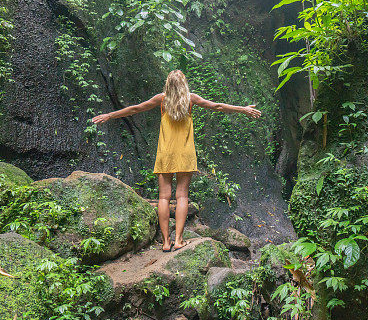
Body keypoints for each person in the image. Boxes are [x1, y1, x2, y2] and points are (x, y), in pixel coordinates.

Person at [91, 70, 261, 252]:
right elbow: (217, 106)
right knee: (182, 196)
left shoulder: (161, 100)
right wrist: (243, 109)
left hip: (165, 153)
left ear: (168, 85)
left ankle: (165, 242)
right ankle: (178, 240)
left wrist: (110, 115)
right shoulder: (191, 99)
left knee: (163, 197)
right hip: (185, 153)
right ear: (183, 84)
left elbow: (136, 108)